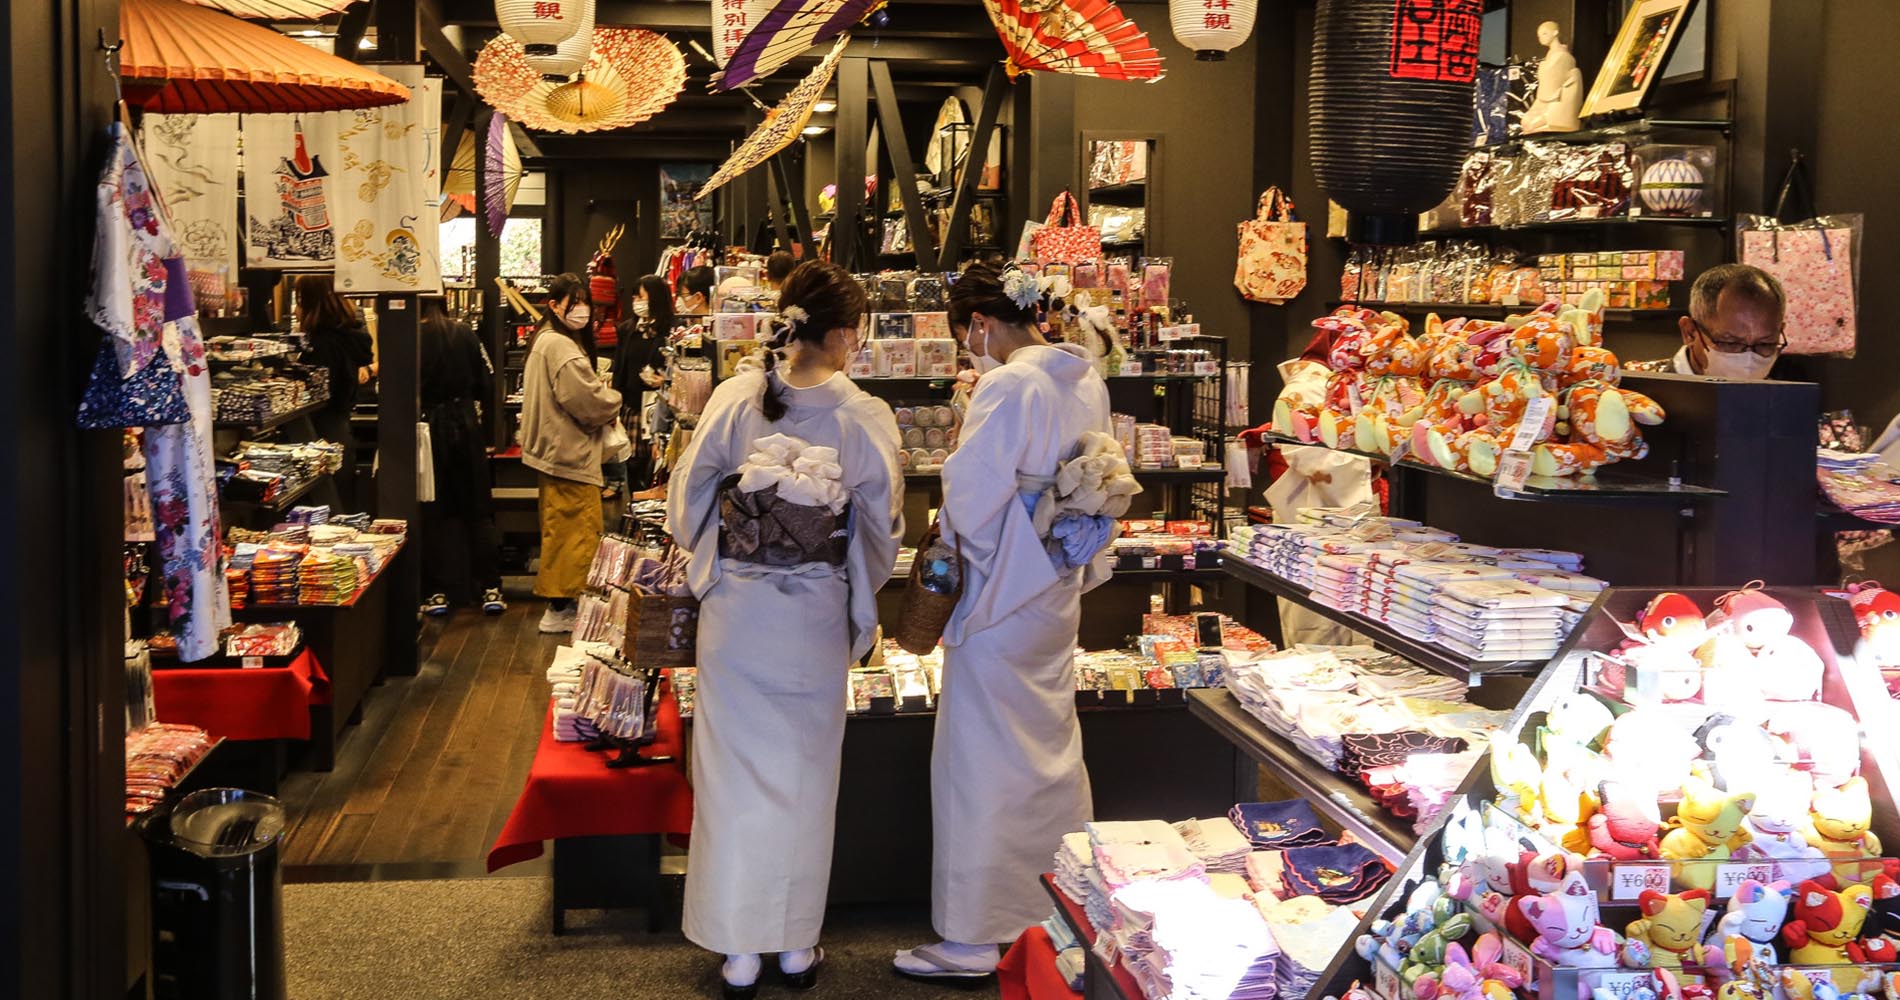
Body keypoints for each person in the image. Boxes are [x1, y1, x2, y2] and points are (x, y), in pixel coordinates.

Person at [667, 261, 902, 999]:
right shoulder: (863, 416)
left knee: (733, 780)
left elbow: (687, 497)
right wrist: (855, 591)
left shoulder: (740, 397)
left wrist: (721, 548)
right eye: (856, 331)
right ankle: (796, 944)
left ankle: (738, 951)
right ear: (839, 334)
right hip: (809, 614)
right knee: (805, 778)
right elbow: (881, 531)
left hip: (738, 609)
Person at [896, 262, 1119, 979]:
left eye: (969, 337)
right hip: (1054, 576)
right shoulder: (1084, 378)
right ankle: (1054, 912)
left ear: (981, 325)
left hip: (1000, 585)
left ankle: (970, 935)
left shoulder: (1007, 384)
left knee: (979, 761)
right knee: (1048, 752)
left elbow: (969, 495)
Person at [520, 273, 622, 634]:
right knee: (574, 532)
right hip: (568, 451)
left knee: (561, 529)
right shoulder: (561, 346)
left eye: (584, 302)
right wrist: (614, 401)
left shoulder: (545, 339)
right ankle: (560, 606)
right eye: (574, 302)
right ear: (554, 305)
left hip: (552, 448)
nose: (581, 310)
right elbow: (585, 400)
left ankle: (563, 603)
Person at [417, 297, 506, 617]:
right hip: (466, 425)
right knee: (477, 510)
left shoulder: (411, 336)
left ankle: (435, 592)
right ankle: (491, 587)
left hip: (428, 429)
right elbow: (488, 380)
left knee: (432, 511)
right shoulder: (465, 333)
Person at [1625, 263, 1788, 379]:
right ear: (1689, 332)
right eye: (1730, 343)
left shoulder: (1786, 401)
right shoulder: (1643, 395)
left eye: (1765, 344)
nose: (1749, 359)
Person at [295, 274, 375, 510]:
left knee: (323, 511)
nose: (297, 307)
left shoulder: (323, 345)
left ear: (312, 302)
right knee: (338, 509)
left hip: (320, 434)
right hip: (339, 431)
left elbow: (321, 393)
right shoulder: (346, 338)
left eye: (300, 299)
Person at [612, 275, 675, 493]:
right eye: (634, 297)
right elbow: (619, 369)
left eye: (641, 296)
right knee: (631, 464)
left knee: (656, 466)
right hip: (631, 408)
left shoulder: (672, 330)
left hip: (658, 408)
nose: (636, 302)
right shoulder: (627, 329)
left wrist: (665, 382)